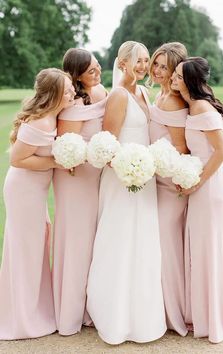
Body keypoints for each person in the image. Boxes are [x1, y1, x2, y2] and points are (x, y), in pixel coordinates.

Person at [87, 41, 166, 345]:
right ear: (122, 63)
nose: (145, 66)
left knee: (143, 241)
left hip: (144, 178)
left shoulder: (144, 92)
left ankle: (143, 316)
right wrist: (129, 168)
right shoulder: (118, 96)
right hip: (123, 178)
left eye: (147, 61)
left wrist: (144, 167)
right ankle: (114, 315)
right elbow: (108, 143)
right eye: (139, 61)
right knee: (119, 239)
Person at [0, 68, 75, 340]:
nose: (72, 93)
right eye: (66, 89)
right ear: (53, 93)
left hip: (35, 190)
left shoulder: (53, 116)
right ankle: (21, 319)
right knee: (26, 251)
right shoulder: (42, 122)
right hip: (24, 190)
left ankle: (34, 310)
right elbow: (17, 159)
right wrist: (57, 161)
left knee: (36, 246)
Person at [171, 56, 223, 343]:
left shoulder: (201, 107)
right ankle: (209, 311)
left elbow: (221, 151)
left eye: (177, 74)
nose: (172, 77)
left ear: (189, 81)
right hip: (201, 184)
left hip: (209, 187)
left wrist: (197, 181)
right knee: (202, 247)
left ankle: (214, 317)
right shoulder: (190, 106)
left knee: (209, 248)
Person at [52, 48, 107, 336]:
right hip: (75, 176)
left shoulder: (102, 91)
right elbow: (66, 144)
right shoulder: (72, 102)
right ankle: (69, 313)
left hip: (96, 175)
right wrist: (84, 156)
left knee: (93, 241)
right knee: (76, 241)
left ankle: (89, 307)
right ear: (76, 75)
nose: (96, 72)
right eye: (89, 70)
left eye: (97, 66)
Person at [148, 42, 189, 336]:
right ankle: (158, 308)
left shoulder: (174, 100)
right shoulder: (158, 93)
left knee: (167, 244)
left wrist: (162, 167)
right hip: (154, 181)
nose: (160, 71)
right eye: (157, 64)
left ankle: (174, 313)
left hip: (170, 182)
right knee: (158, 245)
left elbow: (181, 147)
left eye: (166, 67)